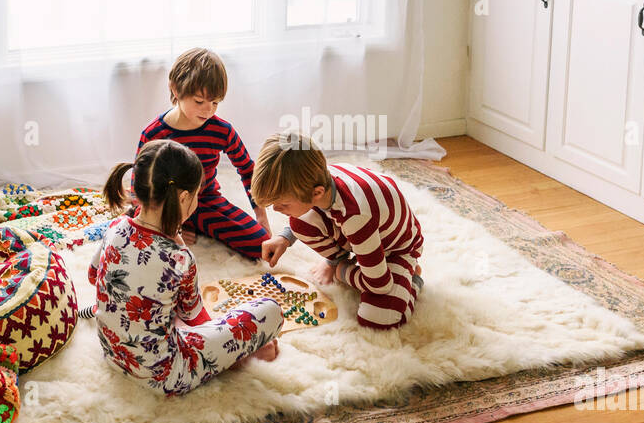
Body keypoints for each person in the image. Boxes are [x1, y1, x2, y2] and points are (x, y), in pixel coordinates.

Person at [88, 139, 281, 396]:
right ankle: (238, 359)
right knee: (270, 310)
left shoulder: (115, 227)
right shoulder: (179, 258)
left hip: (114, 354)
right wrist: (235, 344)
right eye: (198, 195)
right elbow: (196, 320)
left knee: (159, 303)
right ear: (183, 197)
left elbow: (93, 276)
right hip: (166, 376)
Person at [253, 131, 424, 330]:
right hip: (363, 234)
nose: (276, 209)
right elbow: (306, 214)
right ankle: (343, 261)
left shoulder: (355, 216)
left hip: (397, 248)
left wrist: (342, 272)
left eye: (282, 204)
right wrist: (285, 238)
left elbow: (380, 285)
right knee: (299, 223)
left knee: (378, 318)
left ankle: (412, 279)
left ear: (316, 193)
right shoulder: (314, 177)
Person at [136, 48, 270, 260]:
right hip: (165, 204)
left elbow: (247, 169)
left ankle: (196, 225)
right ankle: (179, 228)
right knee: (140, 234)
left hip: (205, 201)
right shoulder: (154, 133)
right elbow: (141, 182)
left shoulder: (222, 130)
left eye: (215, 103)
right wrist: (169, 224)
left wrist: (260, 214)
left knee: (261, 244)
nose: (208, 110)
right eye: (199, 101)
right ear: (175, 89)